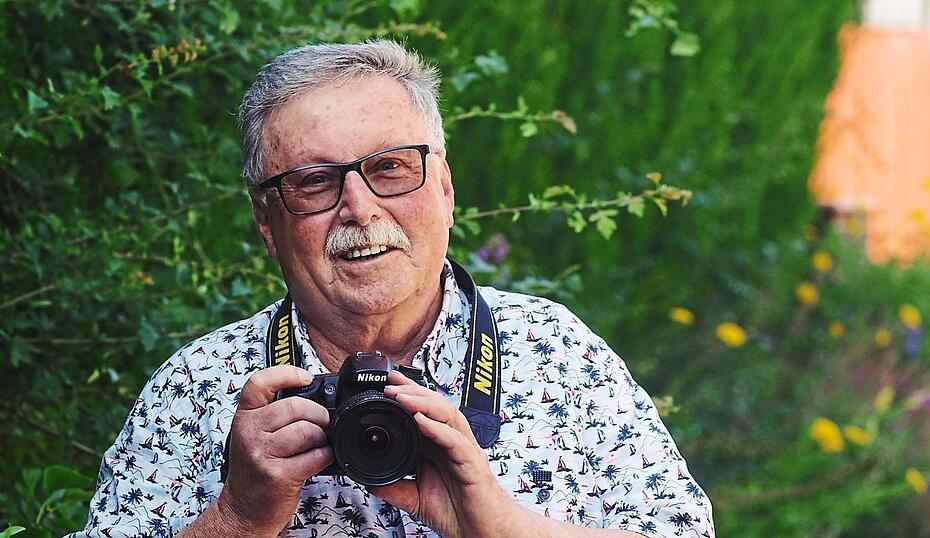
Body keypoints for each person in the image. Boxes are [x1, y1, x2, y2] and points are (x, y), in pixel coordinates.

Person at [69, 40, 714, 538]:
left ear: (445, 191)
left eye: (390, 168)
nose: (360, 208)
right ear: (268, 226)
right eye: (315, 183)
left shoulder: (558, 355)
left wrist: (497, 522)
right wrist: (238, 516)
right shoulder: (199, 389)